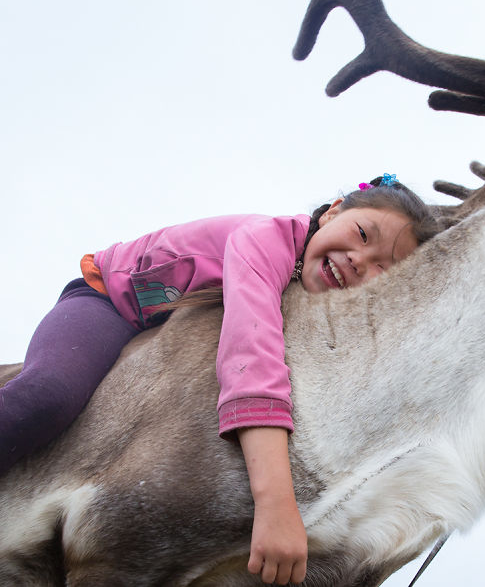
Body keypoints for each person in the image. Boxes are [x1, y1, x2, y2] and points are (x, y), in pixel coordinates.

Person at [0, 174, 439, 585]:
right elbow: (250, 352)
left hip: (167, 342)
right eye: (362, 235)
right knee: (50, 395)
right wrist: (275, 503)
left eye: (385, 268)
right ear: (334, 211)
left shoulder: (313, 304)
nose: (359, 261)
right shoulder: (263, 240)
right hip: (111, 304)